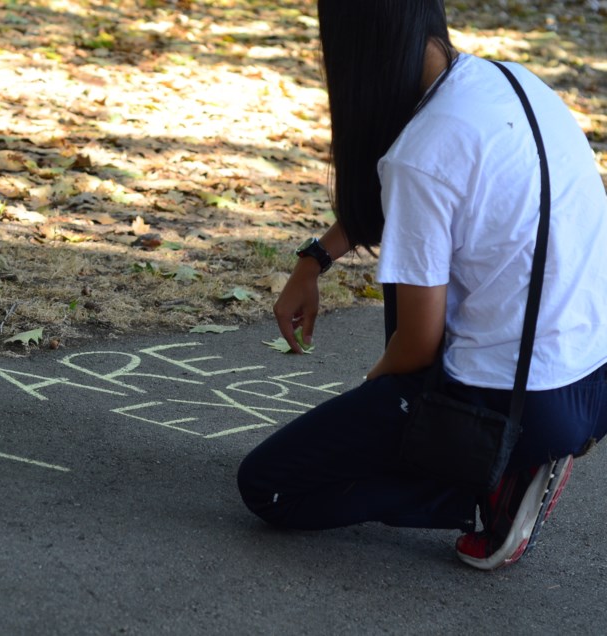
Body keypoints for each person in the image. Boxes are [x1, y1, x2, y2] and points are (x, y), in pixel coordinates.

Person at [237, 0, 607, 570]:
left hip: (514, 405)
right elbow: (422, 199)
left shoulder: (423, 151)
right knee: (415, 269)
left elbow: (417, 346)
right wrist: (315, 259)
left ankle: (483, 488)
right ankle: (507, 458)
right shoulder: (510, 79)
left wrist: (372, 396)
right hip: (589, 379)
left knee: (270, 486)